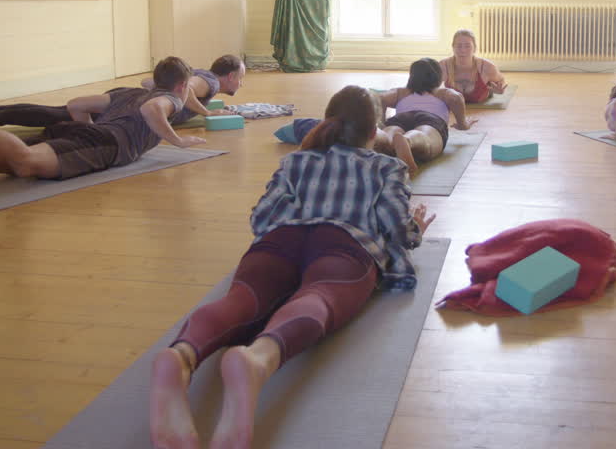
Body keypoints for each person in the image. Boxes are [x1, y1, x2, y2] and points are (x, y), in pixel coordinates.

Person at [147, 85, 435, 449]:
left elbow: (262, 217)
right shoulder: (387, 166)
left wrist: (299, 221)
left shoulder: (295, 161)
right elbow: (395, 226)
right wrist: (416, 231)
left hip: (277, 241)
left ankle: (180, 355)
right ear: (374, 131)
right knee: (320, 294)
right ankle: (257, 360)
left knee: (241, 299)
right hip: (344, 246)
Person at [0, 57, 206, 180]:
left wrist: (86, 130)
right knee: (22, 159)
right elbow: (152, 111)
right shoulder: (170, 100)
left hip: (81, 132)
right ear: (181, 86)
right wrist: (178, 141)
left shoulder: (127, 92)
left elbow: (76, 104)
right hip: (105, 143)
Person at [0, 55, 246, 129]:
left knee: (60, 114)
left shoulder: (201, 76)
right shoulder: (208, 82)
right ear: (230, 76)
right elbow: (190, 92)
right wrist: (209, 112)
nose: (241, 85)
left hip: (128, 98)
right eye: (241, 79)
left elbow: (151, 84)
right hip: (128, 107)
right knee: (58, 116)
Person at [374, 58, 476, 173]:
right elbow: (456, 98)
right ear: (438, 77)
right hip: (430, 119)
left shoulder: (401, 92)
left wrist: (381, 123)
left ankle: (384, 138)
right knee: (424, 136)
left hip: (401, 118)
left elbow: (381, 98)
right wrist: (463, 124)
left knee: (389, 134)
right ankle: (408, 140)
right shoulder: (441, 92)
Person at [440, 29, 506, 104]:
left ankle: (488, 90)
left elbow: (501, 81)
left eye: (467, 46)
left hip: (480, 103)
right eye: (459, 46)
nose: (463, 50)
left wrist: (500, 90)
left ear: (474, 48)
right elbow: (428, 87)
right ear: (453, 47)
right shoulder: (443, 66)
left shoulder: (487, 67)